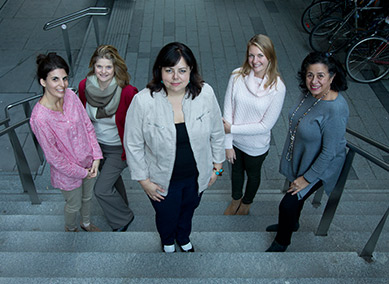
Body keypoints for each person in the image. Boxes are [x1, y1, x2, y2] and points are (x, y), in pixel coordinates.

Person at [124, 42, 225, 253]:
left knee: (188, 210)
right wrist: (144, 181)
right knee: (166, 214)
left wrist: (217, 167)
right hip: (161, 181)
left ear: (191, 71)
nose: (175, 77)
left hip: (197, 176)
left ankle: (183, 236)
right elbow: (133, 144)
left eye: (182, 70)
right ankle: (168, 239)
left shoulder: (205, 94)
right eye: (169, 70)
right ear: (159, 71)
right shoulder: (143, 101)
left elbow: (217, 131)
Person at [266, 52, 349, 252]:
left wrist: (307, 178)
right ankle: (292, 223)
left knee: (288, 203)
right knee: (294, 201)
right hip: (304, 155)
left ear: (332, 76)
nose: (314, 81)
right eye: (309, 75)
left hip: (322, 165)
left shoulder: (336, 109)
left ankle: (282, 242)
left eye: (320, 75)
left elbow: (329, 152)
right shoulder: (309, 94)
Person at [30, 53, 103, 232]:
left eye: (64, 78)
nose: (62, 85)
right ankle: (70, 228)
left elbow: (87, 125)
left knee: (88, 198)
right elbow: (54, 158)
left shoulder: (70, 95)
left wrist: (96, 157)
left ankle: (85, 223)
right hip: (68, 174)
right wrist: (81, 172)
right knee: (74, 205)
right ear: (43, 82)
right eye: (55, 79)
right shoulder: (40, 119)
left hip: (89, 163)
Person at [223, 34, 286, 215]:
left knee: (253, 175)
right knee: (235, 174)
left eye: (260, 55)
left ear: (270, 57)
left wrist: (231, 129)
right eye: (251, 55)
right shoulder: (236, 76)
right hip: (234, 143)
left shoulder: (277, 87)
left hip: (256, 145)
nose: (255, 60)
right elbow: (227, 113)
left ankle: (247, 202)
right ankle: (235, 200)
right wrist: (228, 143)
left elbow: (265, 125)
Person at [78, 45, 138, 232]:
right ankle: (122, 206)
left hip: (118, 148)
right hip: (96, 147)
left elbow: (137, 124)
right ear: (93, 67)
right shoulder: (84, 87)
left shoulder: (127, 92)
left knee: (101, 189)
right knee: (110, 180)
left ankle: (123, 218)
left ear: (115, 68)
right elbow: (82, 117)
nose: (103, 72)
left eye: (108, 67)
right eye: (99, 66)